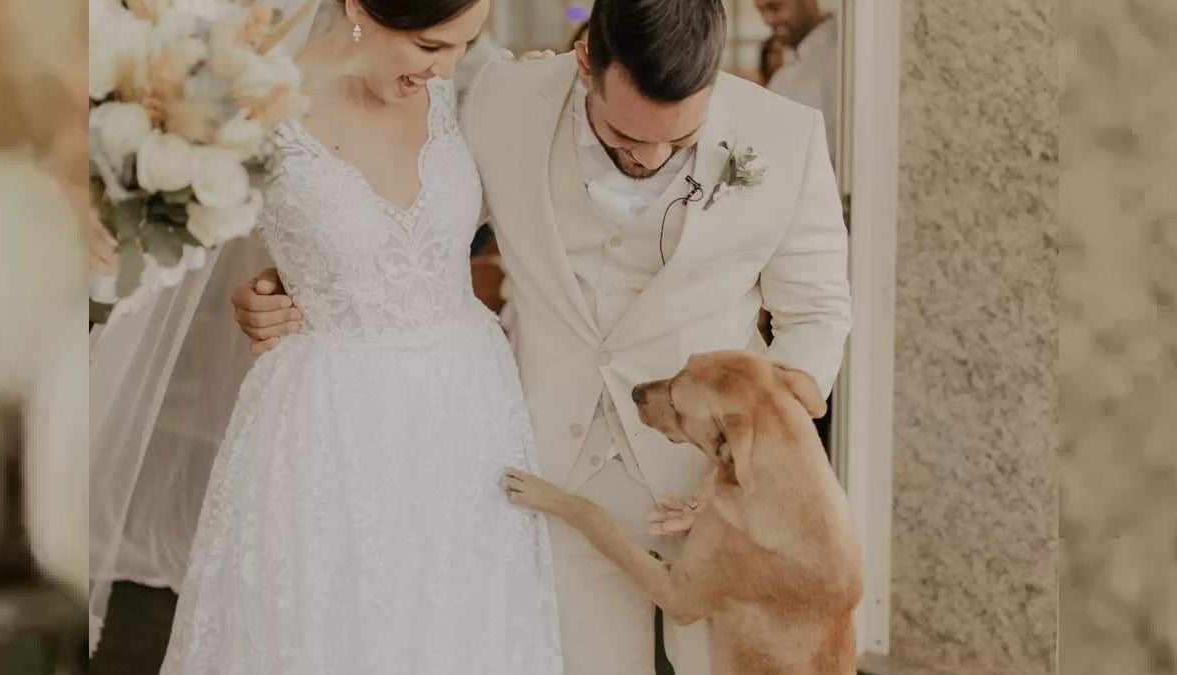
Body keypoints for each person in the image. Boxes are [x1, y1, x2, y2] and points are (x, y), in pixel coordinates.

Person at [233, 0, 852, 672]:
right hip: (554, 474)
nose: (647, 157)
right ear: (586, 61)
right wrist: (293, 276)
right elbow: (401, 214)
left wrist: (750, 459)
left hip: (718, 492)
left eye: (675, 141)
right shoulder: (500, 97)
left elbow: (816, 316)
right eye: (624, 133)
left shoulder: (785, 135)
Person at [118, 1, 564, 672]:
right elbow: (192, 247)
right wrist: (266, 283)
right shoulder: (259, 99)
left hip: (467, 409)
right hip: (329, 419)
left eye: (463, 45)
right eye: (429, 45)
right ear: (359, 6)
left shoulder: (459, 88)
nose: (447, 64)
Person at [755, 0, 838, 159]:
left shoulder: (842, 56)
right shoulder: (782, 75)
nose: (767, 20)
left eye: (775, 7)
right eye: (761, 11)